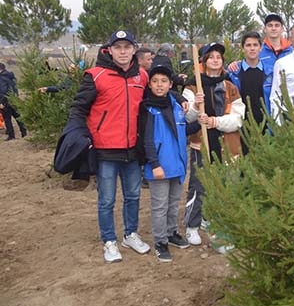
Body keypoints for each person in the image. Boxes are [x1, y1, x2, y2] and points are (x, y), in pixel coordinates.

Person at [67, 30, 151, 263]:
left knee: (133, 195)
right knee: (106, 199)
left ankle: (130, 234)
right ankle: (109, 241)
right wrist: (78, 136)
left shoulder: (142, 76)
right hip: (105, 149)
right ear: (110, 50)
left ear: (134, 50)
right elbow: (78, 108)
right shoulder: (95, 76)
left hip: (132, 148)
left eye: (127, 47)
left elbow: (155, 98)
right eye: (118, 47)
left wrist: (182, 99)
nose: (123, 52)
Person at [182, 42, 245, 249]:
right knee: (199, 185)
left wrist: (215, 122)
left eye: (219, 57)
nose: (215, 60)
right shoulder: (193, 87)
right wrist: (195, 105)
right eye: (211, 57)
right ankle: (192, 224)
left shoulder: (230, 87)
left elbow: (238, 118)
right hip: (202, 145)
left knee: (225, 186)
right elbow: (187, 117)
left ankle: (218, 225)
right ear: (204, 61)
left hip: (227, 145)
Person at [138, 64, 201, 262]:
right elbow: (147, 140)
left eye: (164, 81)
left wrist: (200, 122)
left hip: (177, 164)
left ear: (170, 84)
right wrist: (154, 164)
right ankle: (160, 241)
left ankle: (171, 232)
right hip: (159, 166)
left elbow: (183, 130)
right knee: (160, 206)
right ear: (149, 84)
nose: (159, 85)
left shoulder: (176, 106)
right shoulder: (148, 108)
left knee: (174, 203)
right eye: (155, 81)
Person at [0, 62, 27, 140]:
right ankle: (24, 133)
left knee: (7, 119)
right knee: (18, 117)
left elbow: (4, 91)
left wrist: (2, 102)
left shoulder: (1, 78)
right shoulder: (10, 76)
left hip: (6, 102)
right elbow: (14, 88)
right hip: (14, 100)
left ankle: (11, 136)